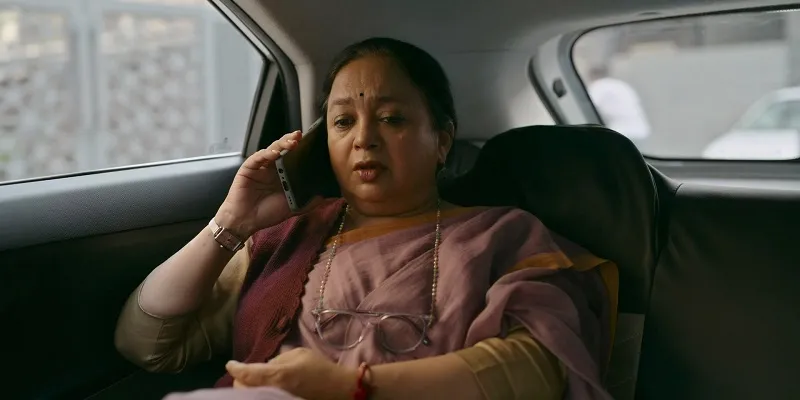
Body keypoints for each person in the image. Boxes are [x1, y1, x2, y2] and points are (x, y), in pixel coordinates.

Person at [115, 37, 617, 400]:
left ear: (442, 141)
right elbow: (144, 343)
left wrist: (355, 387)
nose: (364, 139)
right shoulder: (286, 239)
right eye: (342, 121)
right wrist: (231, 222)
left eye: (392, 118)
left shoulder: (501, 236)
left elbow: (539, 368)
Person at [587, 65, 651, 146]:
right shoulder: (621, 85)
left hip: (622, 131)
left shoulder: (599, 85)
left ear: (592, 76)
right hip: (640, 130)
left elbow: (589, 104)